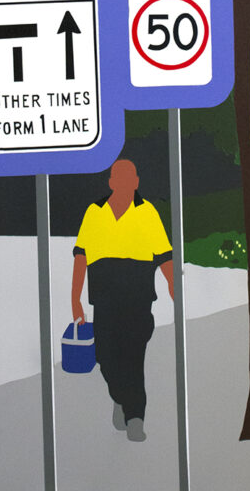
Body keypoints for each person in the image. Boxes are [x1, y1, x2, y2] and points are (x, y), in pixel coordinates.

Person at [71, 158, 173, 443]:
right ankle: (120, 398)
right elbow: (81, 256)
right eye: (120, 178)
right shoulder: (95, 212)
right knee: (104, 357)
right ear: (112, 182)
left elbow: (165, 255)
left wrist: (174, 287)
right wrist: (75, 300)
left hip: (138, 300)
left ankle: (135, 418)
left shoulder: (147, 212)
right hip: (104, 301)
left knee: (132, 360)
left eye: (131, 178)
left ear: (136, 182)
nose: (125, 183)